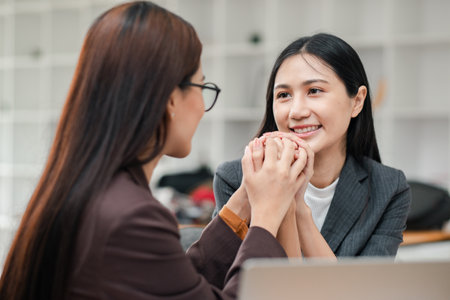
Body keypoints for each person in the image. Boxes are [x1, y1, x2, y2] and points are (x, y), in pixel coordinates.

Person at [0, 2, 308, 299]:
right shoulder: (131, 217)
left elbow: (175, 285)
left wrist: (243, 204)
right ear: (171, 100)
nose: (203, 108)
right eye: (203, 87)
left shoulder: (84, 190)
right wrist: (267, 214)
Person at [213, 33, 411, 258]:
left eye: (314, 91)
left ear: (357, 101)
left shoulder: (388, 189)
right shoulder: (236, 179)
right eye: (284, 95)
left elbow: (364, 291)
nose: (297, 111)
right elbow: (232, 284)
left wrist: (299, 210)